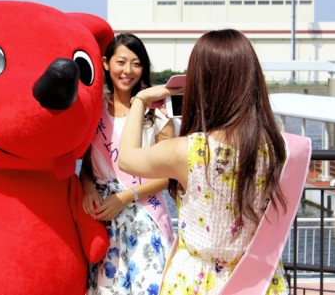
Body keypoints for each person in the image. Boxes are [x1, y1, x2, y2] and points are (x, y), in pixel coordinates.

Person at [118, 29, 310, 295]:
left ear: (200, 84)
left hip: (196, 282)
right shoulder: (283, 148)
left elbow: (126, 159)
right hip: (261, 281)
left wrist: (140, 99)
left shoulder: (190, 151)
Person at [81, 33, 176, 295]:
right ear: (105, 63)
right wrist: (88, 189)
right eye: (121, 62)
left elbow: (168, 176)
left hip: (145, 215)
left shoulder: (157, 114)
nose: (128, 71)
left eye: (136, 63)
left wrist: (125, 197)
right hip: (102, 216)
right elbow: (87, 165)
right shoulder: (93, 110)